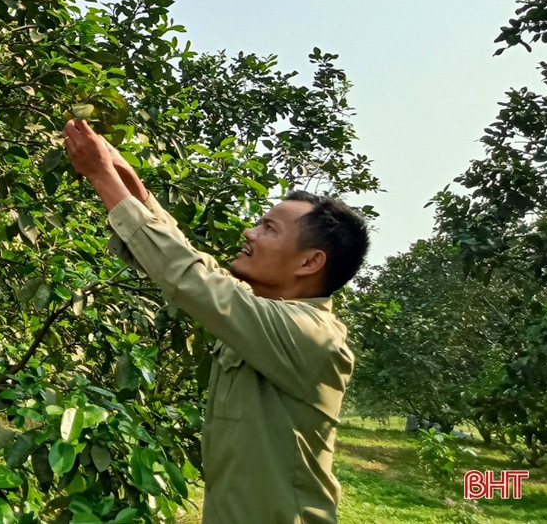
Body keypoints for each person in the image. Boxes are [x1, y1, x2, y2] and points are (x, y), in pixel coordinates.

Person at [62, 119, 369, 524]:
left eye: (268, 228)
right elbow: (194, 265)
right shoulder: (263, 313)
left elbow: (191, 278)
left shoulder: (311, 335)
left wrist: (101, 175)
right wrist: (127, 179)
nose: (249, 232)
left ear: (310, 262)